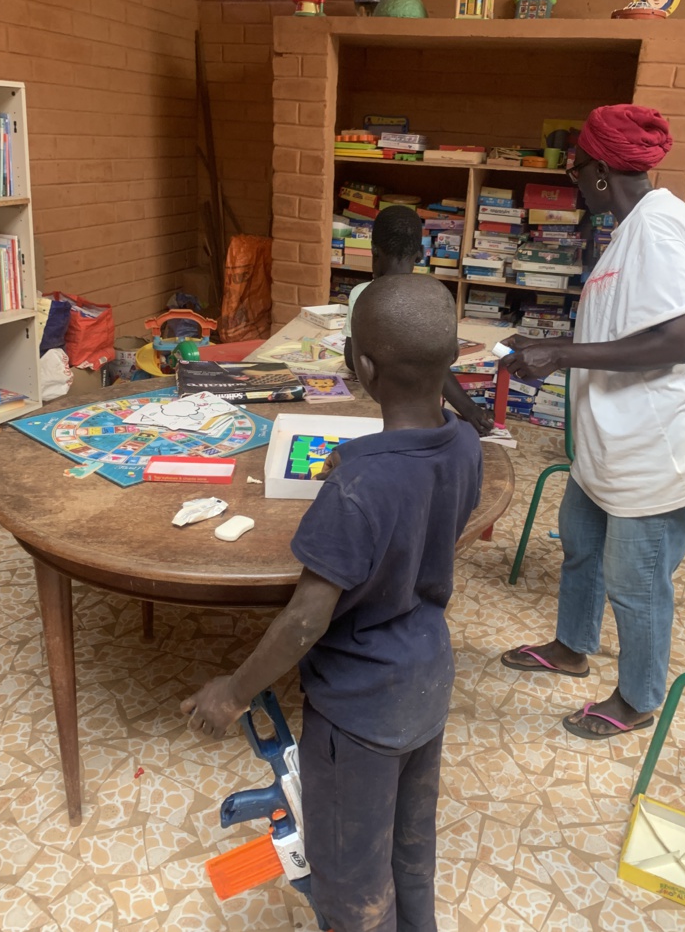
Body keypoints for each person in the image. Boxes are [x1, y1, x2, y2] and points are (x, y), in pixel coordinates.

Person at [182, 274, 483, 932]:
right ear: (453, 356)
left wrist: (230, 692)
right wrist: (359, 461)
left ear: (359, 367)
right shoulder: (464, 442)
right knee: (411, 845)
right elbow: (417, 489)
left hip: (360, 708)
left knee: (351, 877)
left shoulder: (354, 491)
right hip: (426, 679)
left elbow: (303, 621)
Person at [500, 104, 685, 740]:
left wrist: (559, 354)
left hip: (663, 445)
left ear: (599, 171)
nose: (571, 178)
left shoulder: (660, 227)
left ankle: (639, 698)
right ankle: (571, 648)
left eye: (576, 165)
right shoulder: (635, 225)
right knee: (581, 539)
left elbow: (671, 340)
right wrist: (551, 341)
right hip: (616, 442)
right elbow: (626, 324)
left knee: (635, 577)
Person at [343, 204, 494, 435]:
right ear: (421, 254)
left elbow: (351, 360)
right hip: (422, 408)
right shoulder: (434, 297)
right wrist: (469, 408)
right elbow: (434, 361)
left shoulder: (362, 295)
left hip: (375, 406)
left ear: (374, 252)